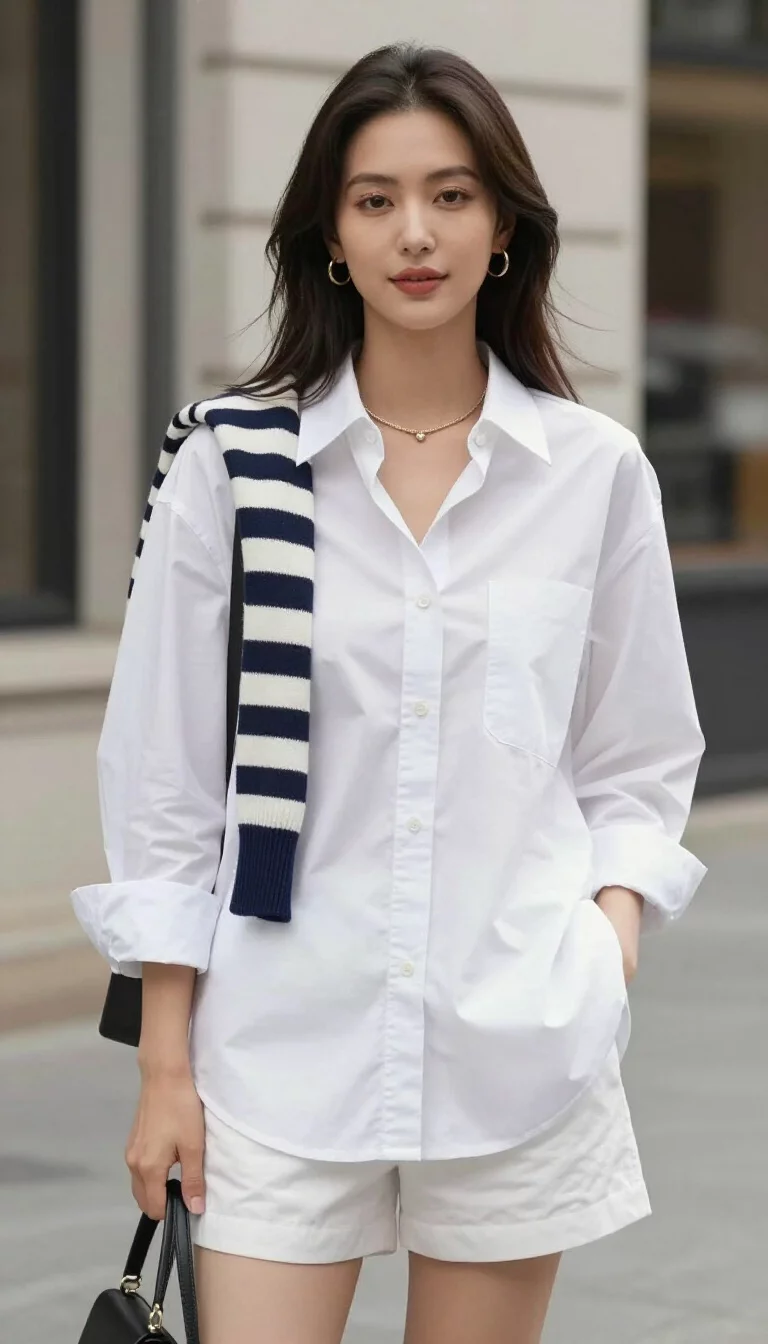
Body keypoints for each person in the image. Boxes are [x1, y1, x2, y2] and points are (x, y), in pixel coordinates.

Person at [71, 42, 707, 1344]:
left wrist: (605, 945)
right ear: (329, 237)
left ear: (507, 231)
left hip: (517, 1044)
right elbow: (165, 789)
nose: (415, 232)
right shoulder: (231, 468)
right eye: (374, 200)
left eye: (452, 194)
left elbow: (637, 756)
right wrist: (166, 1070)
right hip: (275, 1058)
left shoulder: (593, 474)